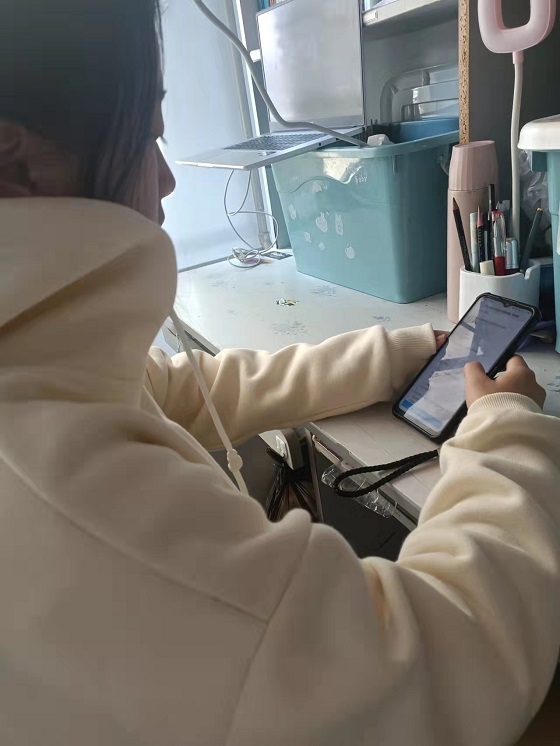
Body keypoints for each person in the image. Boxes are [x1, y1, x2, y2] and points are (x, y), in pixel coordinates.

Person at [1, 1, 559, 744]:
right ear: (18, 165)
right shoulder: (71, 495)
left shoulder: (39, 365)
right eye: (142, 136)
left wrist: (388, 357)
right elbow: (447, 660)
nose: (164, 179)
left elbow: (172, 393)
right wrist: (507, 432)